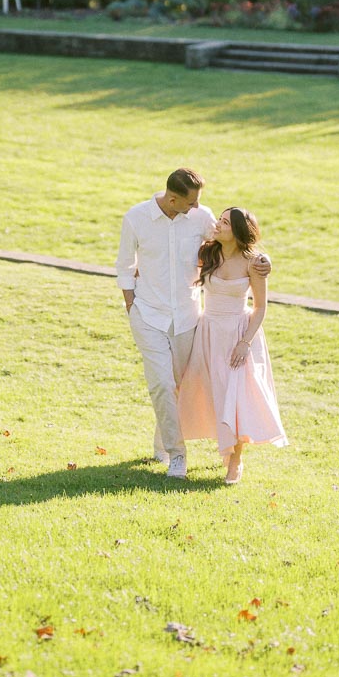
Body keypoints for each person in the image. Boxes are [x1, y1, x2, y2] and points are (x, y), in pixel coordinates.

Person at [116, 168, 216, 480]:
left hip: (187, 315)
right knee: (161, 383)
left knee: (175, 386)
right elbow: (124, 266)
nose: (196, 207)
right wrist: (131, 304)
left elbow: (225, 247)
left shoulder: (202, 217)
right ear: (172, 199)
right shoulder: (136, 218)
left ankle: (162, 441)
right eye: (190, 202)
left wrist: (256, 264)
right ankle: (177, 455)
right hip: (148, 315)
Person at [178, 206, 288, 484]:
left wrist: (245, 342)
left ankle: (235, 459)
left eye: (225, 222)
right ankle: (182, 448)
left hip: (238, 333)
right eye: (220, 220)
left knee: (234, 395)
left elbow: (260, 307)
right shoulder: (207, 253)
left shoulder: (254, 262)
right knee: (213, 392)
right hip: (208, 331)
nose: (218, 224)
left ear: (238, 231)